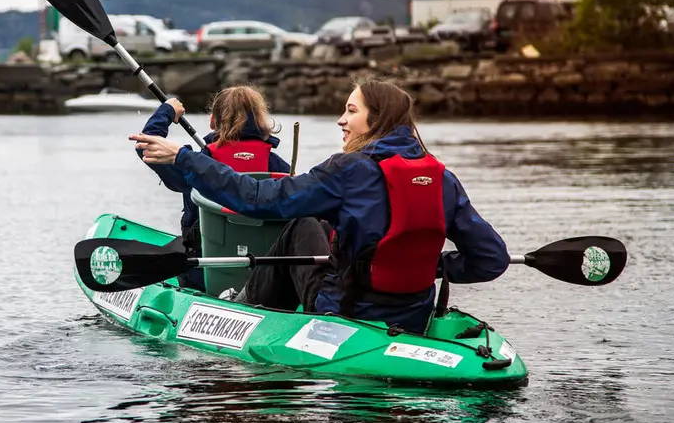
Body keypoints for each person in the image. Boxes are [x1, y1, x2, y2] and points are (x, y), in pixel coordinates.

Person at [130, 78, 508, 333]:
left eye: (351, 111)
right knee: (321, 224)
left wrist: (184, 157)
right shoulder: (442, 178)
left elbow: (257, 199)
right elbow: (491, 260)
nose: (341, 120)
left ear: (376, 120)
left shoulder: (348, 171)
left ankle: (240, 305)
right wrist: (421, 264)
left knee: (302, 222)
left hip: (346, 314)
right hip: (413, 315)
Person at [135, 85, 291, 291]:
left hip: (203, 272)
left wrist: (167, 111)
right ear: (262, 122)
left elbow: (146, 144)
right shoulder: (278, 168)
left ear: (212, 122)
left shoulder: (196, 164)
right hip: (268, 276)